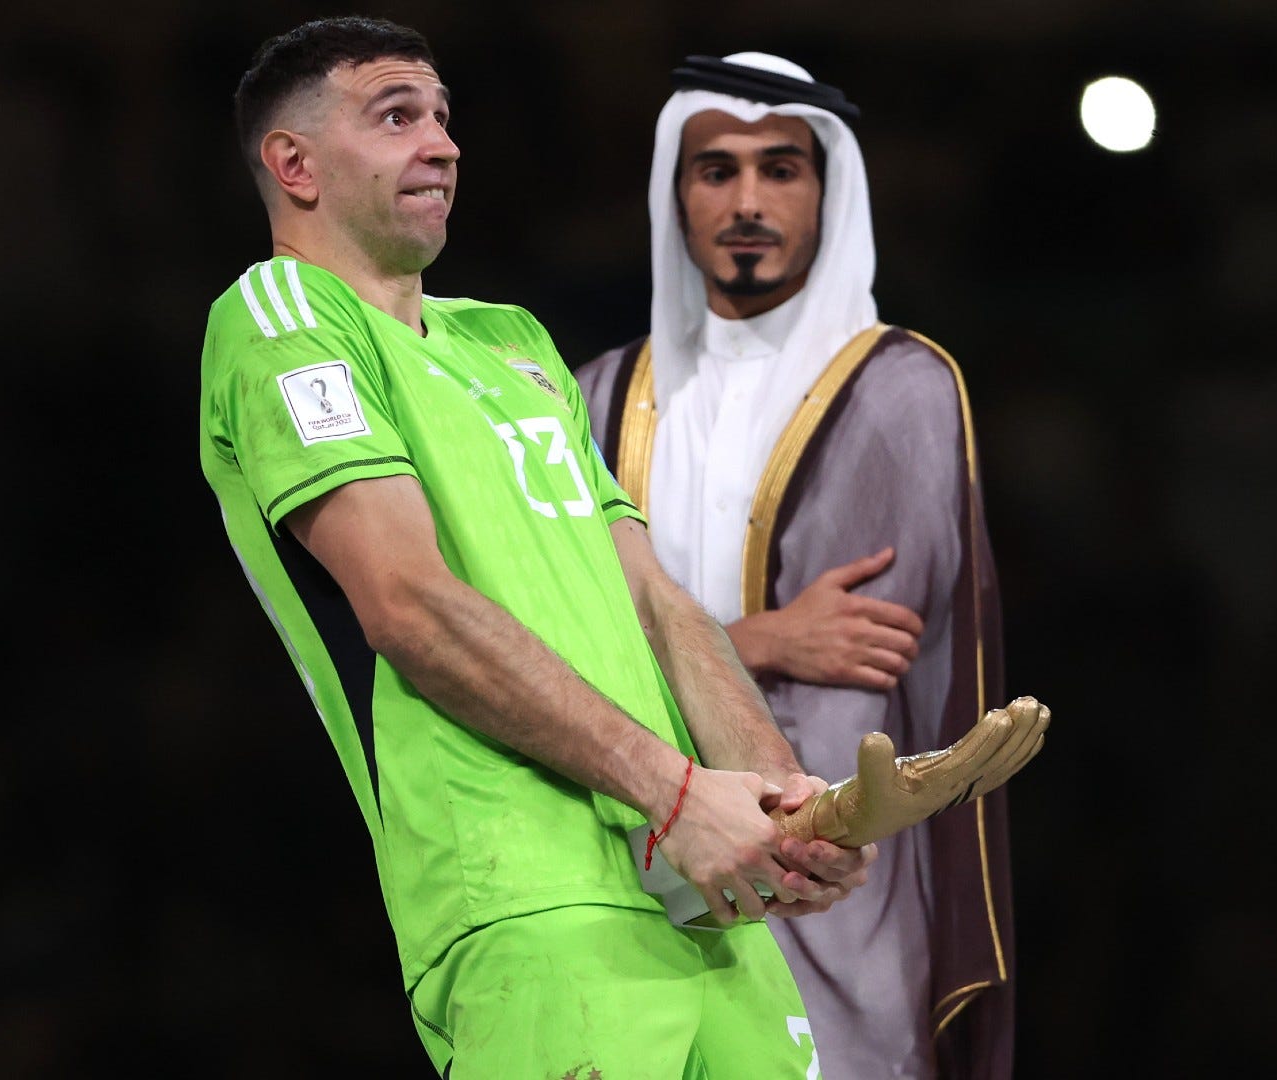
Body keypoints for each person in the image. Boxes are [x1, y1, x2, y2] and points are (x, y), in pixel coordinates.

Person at [196, 18, 879, 1078]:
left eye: (442, 117)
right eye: (396, 116)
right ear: (294, 165)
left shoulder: (511, 340)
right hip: (526, 894)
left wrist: (782, 802)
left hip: (696, 893)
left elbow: (655, 601)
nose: (442, 144)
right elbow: (407, 604)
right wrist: (675, 791)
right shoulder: (281, 317)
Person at [574, 52, 1019, 1080]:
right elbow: (556, 649)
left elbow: (857, 668)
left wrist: (673, 653)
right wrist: (765, 637)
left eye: (780, 169)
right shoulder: (590, 395)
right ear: (675, 192)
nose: (747, 201)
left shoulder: (901, 388)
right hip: (630, 870)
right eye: (715, 170)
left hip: (835, 883)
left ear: (829, 190)